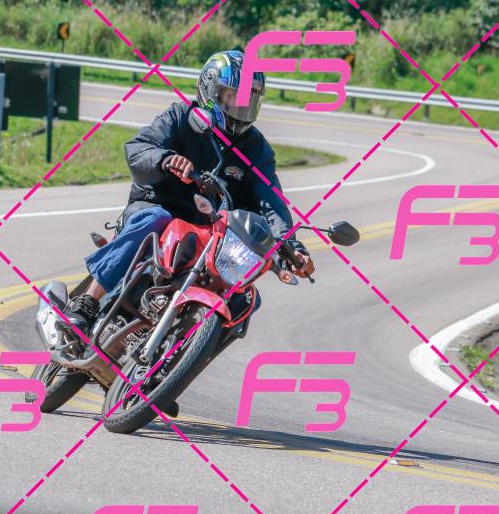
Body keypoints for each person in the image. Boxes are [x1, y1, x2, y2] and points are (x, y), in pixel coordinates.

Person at [62, 50, 315, 337]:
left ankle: (181, 349)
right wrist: (166, 160)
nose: (240, 106)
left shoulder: (256, 148)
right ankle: (87, 303)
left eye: (247, 99)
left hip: (210, 233)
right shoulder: (181, 116)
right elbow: (138, 148)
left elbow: (270, 203)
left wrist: (290, 248)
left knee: (245, 297)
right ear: (210, 90)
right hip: (157, 207)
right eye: (232, 96)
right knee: (154, 220)